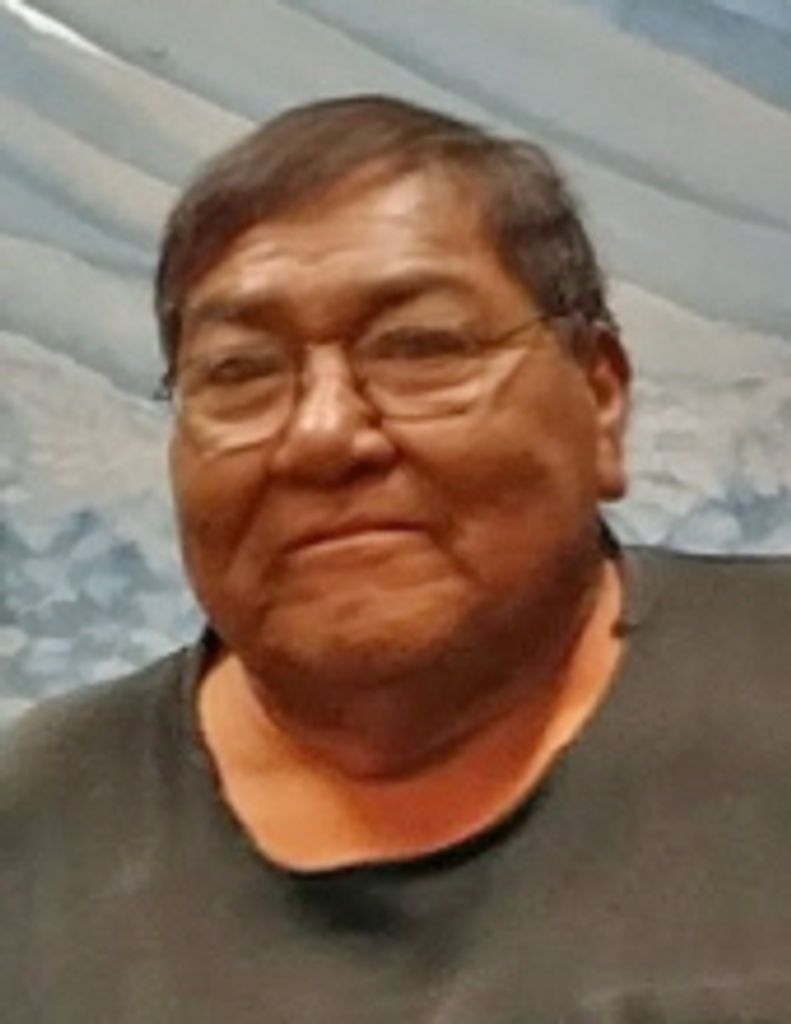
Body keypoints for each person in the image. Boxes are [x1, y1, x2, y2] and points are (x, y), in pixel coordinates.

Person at [2, 95, 790, 1023]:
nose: (323, 435)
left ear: (599, 397)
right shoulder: (37, 836)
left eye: (419, 348)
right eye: (241, 372)